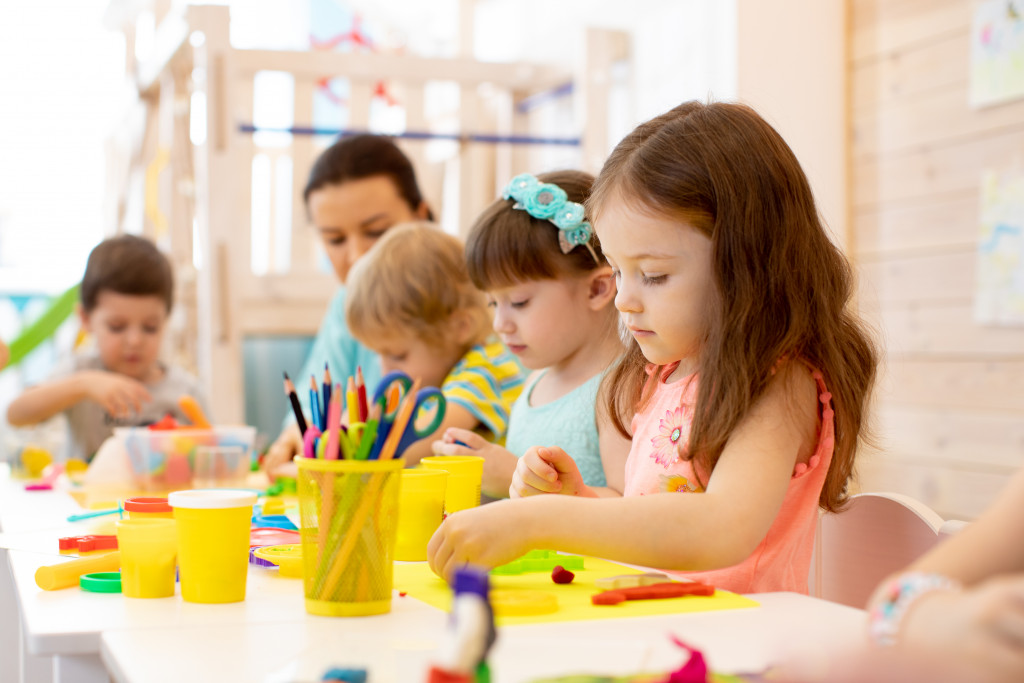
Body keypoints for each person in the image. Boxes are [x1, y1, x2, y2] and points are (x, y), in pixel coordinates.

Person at [427, 100, 878, 593]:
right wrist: (579, 501)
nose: (623, 298)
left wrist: (543, 520)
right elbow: (646, 522)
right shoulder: (664, 379)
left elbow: (720, 528)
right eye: (619, 271)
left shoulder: (781, 385)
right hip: (661, 629)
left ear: (745, 263)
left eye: (654, 275)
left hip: (742, 649)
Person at [431, 170, 628, 498]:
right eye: (493, 303)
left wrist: (513, 476)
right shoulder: (535, 379)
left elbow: (629, 509)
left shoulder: (618, 390)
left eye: (519, 302)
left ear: (596, 289)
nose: (499, 323)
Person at [263, 134, 432, 474]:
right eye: (335, 239)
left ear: (420, 216)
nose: (356, 256)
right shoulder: (345, 306)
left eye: (376, 231)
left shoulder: (468, 302)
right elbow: (313, 413)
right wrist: (297, 435)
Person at [6, 235, 208, 462]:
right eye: (117, 327)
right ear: (85, 319)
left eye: (150, 328)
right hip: (86, 497)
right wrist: (83, 385)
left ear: (166, 321)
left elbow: (211, 456)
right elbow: (15, 415)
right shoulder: (80, 372)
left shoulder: (184, 391)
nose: (134, 341)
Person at [345, 222, 525, 474]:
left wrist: (353, 440)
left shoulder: (485, 370)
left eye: (398, 355)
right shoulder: (437, 378)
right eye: (378, 354)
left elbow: (418, 444)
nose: (386, 369)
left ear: (459, 327)